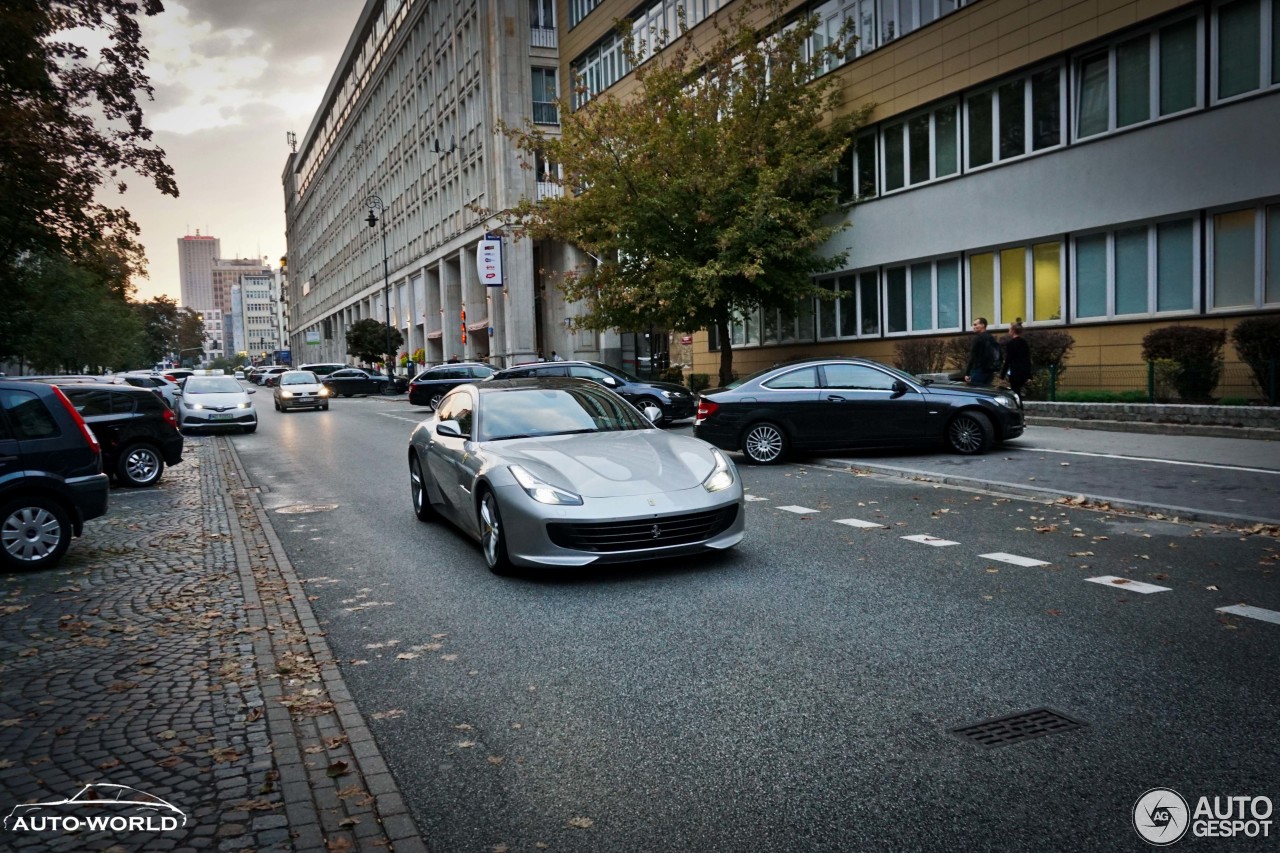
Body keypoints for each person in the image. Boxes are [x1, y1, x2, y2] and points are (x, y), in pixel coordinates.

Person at [964, 317, 1000, 386]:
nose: (973, 327)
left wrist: (967, 373)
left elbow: (973, 356)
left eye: (975, 325)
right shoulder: (991, 337)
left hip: (979, 370)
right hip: (989, 370)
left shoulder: (977, 338)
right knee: (985, 393)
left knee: (975, 392)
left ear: (983, 325)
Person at [1001, 321, 1032, 398]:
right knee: (1018, 392)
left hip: (1015, 372)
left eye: (1009, 329)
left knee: (1015, 392)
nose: (1008, 331)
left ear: (1013, 331)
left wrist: (1003, 374)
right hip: (1024, 372)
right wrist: (1029, 374)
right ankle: (1020, 406)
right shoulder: (1024, 342)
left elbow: (1008, 359)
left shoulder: (1011, 343)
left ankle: (1018, 407)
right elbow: (1027, 359)